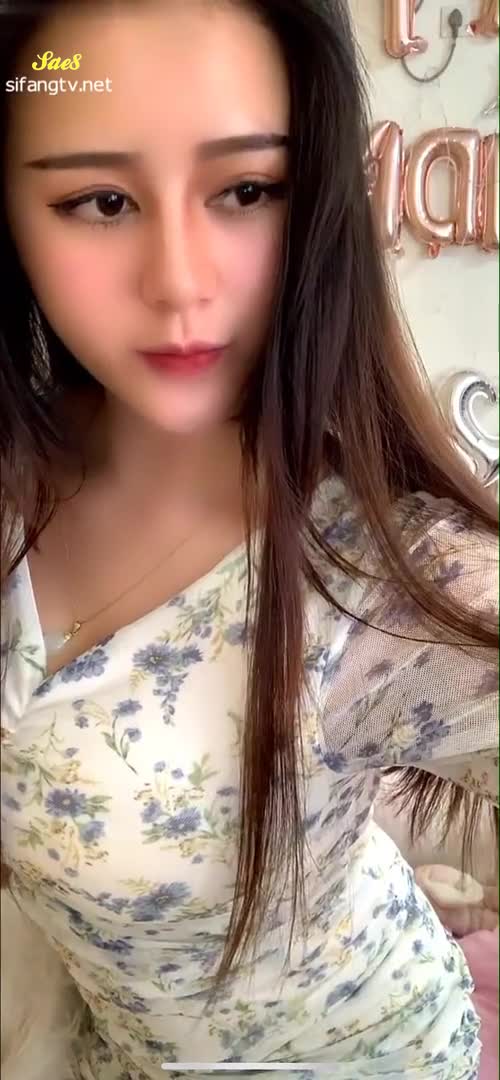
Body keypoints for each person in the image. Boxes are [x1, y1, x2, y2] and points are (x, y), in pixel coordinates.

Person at [0, 1, 497, 1078]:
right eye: (100, 201)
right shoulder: (18, 472)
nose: (180, 281)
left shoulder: (383, 577)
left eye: (245, 191)